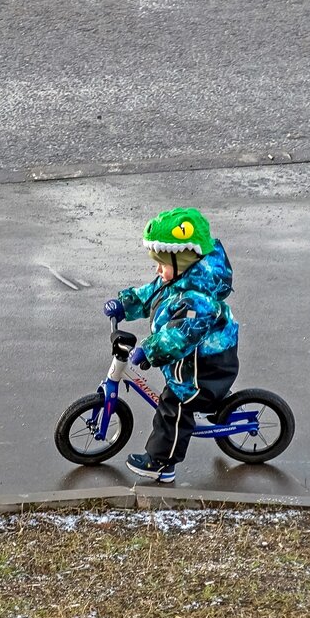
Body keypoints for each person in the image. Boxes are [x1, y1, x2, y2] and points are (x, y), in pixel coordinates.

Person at [102, 207, 239, 483]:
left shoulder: (197, 299)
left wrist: (150, 350)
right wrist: (124, 305)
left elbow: (181, 336)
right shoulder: (177, 278)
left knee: (174, 405)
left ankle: (162, 464)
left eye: (162, 264)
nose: (158, 269)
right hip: (192, 362)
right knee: (177, 392)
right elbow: (150, 292)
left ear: (183, 259)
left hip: (206, 368)